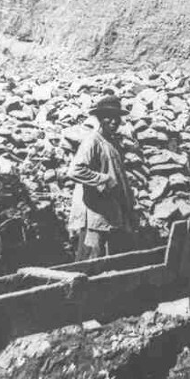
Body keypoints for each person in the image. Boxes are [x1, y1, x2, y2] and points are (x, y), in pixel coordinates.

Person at [68, 94, 136, 260]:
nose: (114, 122)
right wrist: (103, 179)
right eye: (109, 117)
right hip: (94, 215)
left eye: (117, 118)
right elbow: (75, 170)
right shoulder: (92, 141)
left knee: (106, 262)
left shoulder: (112, 143)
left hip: (108, 213)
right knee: (90, 260)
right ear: (99, 118)